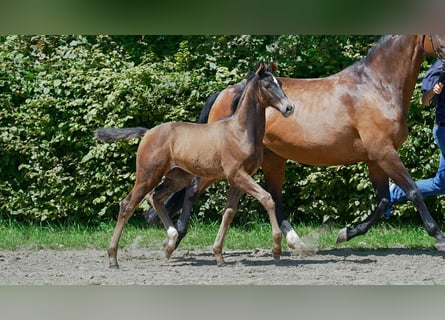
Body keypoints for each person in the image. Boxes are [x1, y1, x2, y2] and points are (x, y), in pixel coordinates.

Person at [385, 59, 445, 217]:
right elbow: (425, 101)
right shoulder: (440, 66)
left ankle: (396, 192)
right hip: (444, 130)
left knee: (441, 184)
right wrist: (434, 91)